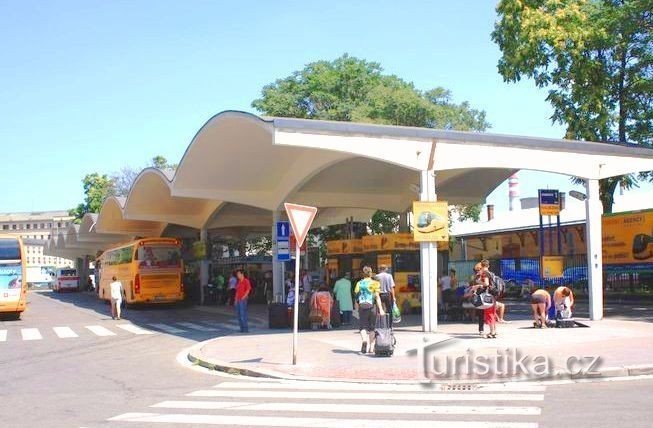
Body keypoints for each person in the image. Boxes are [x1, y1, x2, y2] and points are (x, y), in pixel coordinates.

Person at [354, 266, 385, 354]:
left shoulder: (359, 283)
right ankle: (371, 348)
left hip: (362, 307)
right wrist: (381, 309)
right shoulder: (375, 283)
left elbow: (356, 298)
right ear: (371, 273)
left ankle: (364, 340)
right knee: (372, 328)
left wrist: (356, 309)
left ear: (362, 273)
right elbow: (377, 297)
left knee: (363, 327)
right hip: (372, 307)